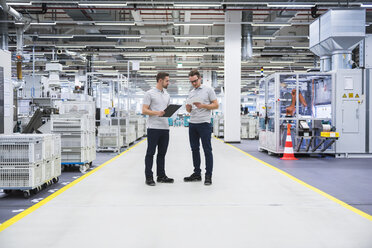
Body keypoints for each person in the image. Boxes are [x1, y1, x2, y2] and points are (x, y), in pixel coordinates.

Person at [184, 69, 219, 186]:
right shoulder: (191, 92)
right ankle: (197, 173)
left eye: (195, 81)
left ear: (200, 79)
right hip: (193, 124)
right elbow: (189, 110)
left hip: (204, 123)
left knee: (207, 150)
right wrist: (188, 107)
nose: (193, 83)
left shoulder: (208, 90)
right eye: (191, 82)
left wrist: (203, 105)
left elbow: (216, 105)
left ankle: (208, 175)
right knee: (194, 149)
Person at [142, 72, 174, 186]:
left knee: (162, 154)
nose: (168, 83)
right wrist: (157, 113)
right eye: (167, 81)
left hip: (165, 128)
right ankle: (149, 177)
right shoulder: (149, 93)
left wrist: (170, 112)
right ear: (160, 80)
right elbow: (144, 110)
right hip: (154, 128)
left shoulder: (167, 94)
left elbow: (166, 110)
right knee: (150, 153)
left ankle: (161, 176)